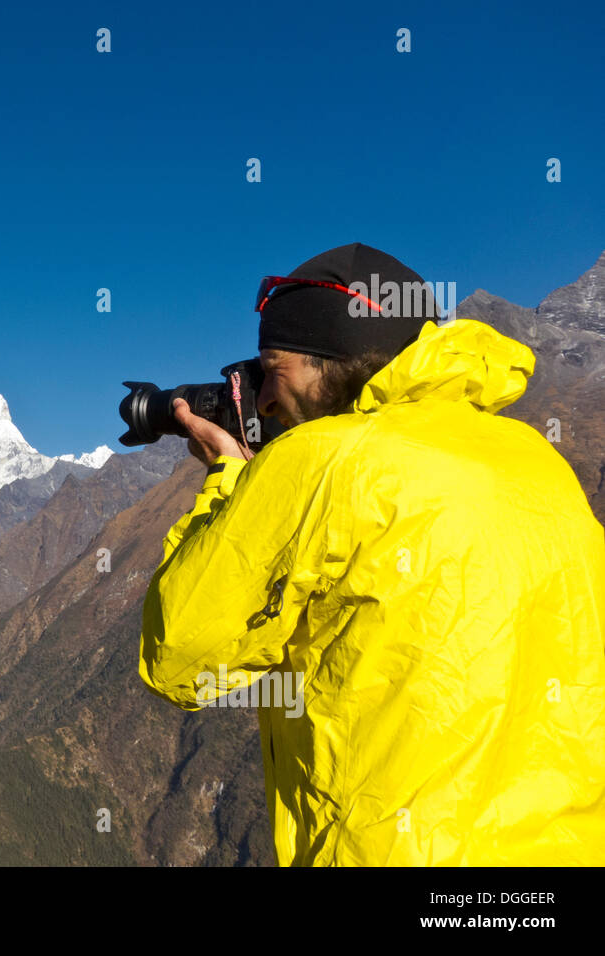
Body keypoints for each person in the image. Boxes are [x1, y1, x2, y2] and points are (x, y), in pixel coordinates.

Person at [137, 242, 605, 865]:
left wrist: (229, 479)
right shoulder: (539, 463)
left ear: (327, 360)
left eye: (272, 368)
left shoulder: (318, 461)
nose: (265, 401)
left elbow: (178, 656)